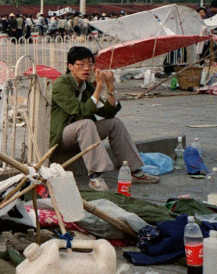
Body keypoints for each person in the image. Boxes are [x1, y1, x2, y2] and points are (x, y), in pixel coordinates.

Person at [50, 46, 158, 191]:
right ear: (70, 66)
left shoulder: (86, 86)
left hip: (83, 134)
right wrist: (99, 86)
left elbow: (108, 113)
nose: (86, 68)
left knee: (115, 123)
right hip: (61, 136)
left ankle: (135, 171)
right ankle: (95, 177)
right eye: (81, 64)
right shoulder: (61, 84)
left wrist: (110, 87)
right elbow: (81, 112)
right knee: (86, 123)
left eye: (90, 64)